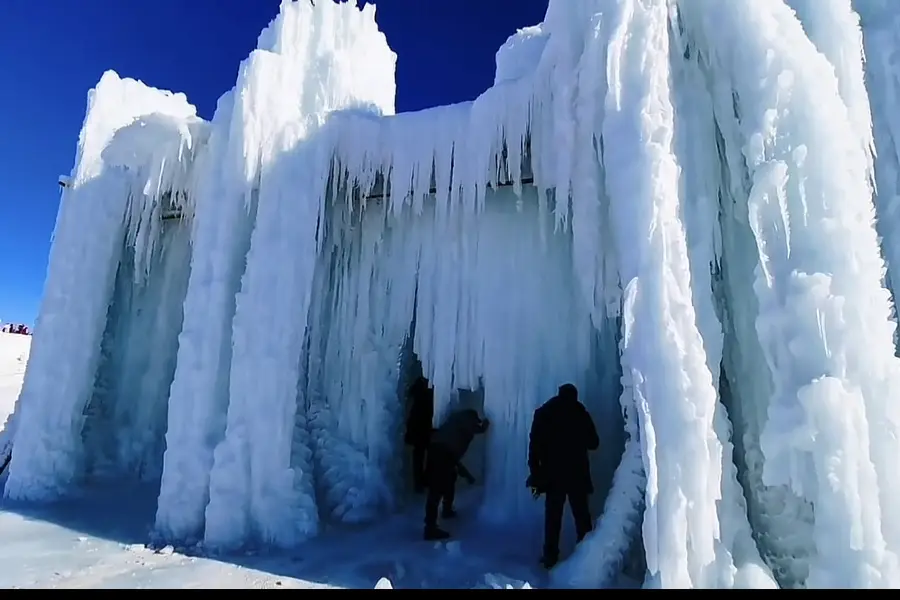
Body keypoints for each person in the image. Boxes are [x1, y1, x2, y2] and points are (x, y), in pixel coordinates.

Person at [527, 383, 599, 569]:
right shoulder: (579, 412)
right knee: (582, 516)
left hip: (553, 474)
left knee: (553, 517)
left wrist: (536, 472)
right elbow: (594, 442)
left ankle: (550, 556)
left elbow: (535, 447)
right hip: (576, 473)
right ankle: (586, 555)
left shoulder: (545, 412)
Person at [423, 408, 490, 540]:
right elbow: (475, 428)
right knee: (437, 489)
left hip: (437, 451)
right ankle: (430, 528)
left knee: (449, 478)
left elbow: (453, 459)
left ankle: (446, 510)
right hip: (443, 454)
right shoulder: (465, 420)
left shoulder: (453, 421)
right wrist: (485, 425)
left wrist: (466, 475)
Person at [404, 376, 435, 493]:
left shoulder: (418, 389)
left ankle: (420, 482)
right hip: (423, 428)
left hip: (418, 428)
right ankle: (423, 481)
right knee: (426, 455)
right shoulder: (427, 391)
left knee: (419, 456)